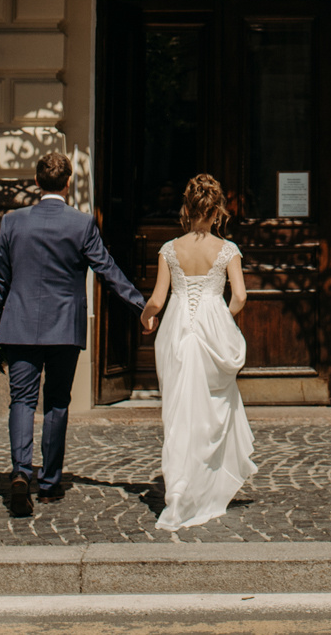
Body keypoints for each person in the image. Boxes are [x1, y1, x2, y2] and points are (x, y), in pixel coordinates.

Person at [0, 150, 148, 502]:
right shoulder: (81, 223)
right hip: (63, 329)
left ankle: (20, 472)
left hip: (20, 325)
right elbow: (107, 270)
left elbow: (0, 280)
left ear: (36, 181)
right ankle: (49, 484)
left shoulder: (12, 222)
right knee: (57, 402)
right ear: (69, 183)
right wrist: (141, 306)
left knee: (22, 401)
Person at [137, 172, 257, 529]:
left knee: (178, 413)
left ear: (187, 208)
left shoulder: (170, 249)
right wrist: (221, 316)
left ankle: (177, 491)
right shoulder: (227, 250)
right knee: (211, 409)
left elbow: (157, 299)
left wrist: (145, 318)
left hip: (176, 331)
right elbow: (239, 296)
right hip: (210, 330)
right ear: (217, 209)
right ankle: (204, 484)